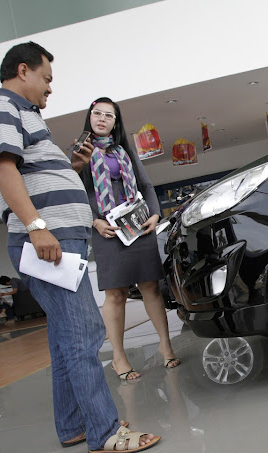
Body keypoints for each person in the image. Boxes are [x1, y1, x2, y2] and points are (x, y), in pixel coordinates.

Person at [0, 41, 159, 453]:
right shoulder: (0, 110)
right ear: (23, 71)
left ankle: (75, 425)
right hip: (47, 240)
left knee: (64, 338)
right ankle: (105, 431)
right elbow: (5, 170)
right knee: (84, 332)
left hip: (57, 238)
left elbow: (30, 172)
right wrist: (37, 227)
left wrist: (71, 168)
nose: (50, 88)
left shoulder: (26, 116)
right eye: (46, 78)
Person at [77, 97, 180, 381]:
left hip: (137, 226)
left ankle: (165, 345)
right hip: (107, 230)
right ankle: (119, 358)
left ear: (115, 121)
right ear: (90, 118)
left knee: (151, 286)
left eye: (108, 115)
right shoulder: (80, 153)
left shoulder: (124, 150)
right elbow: (76, 192)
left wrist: (155, 214)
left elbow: (146, 186)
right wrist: (94, 221)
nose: (102, 118)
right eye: (97, 113)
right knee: (116, 294)